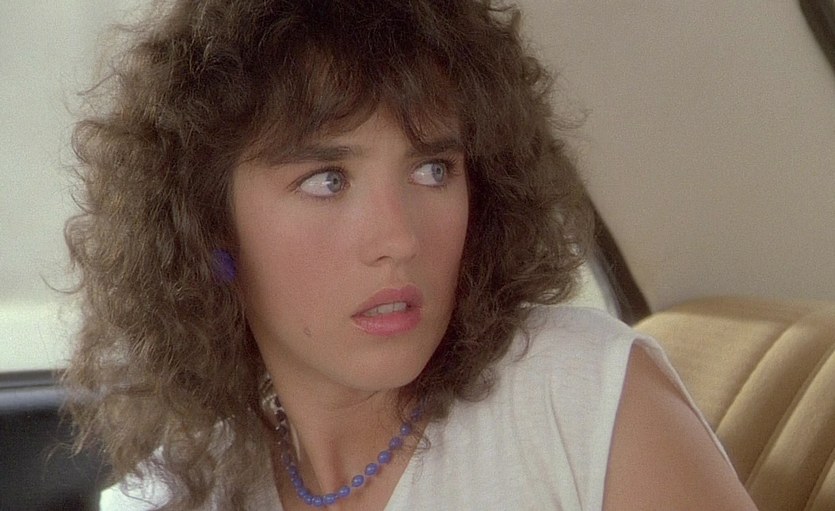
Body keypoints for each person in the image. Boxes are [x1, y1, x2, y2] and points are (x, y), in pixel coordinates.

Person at [63, 0, 758, 509]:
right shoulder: (175, 495)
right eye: (327, 180)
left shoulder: (580, 399)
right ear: (208, 228)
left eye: (432, 169)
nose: (399, 238)